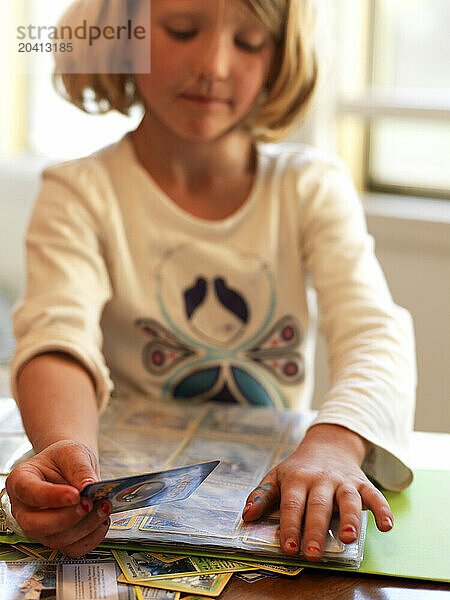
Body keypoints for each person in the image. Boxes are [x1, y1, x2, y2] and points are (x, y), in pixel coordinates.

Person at [6, 0, 416, 560]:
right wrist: (61, 446)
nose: (214, 65)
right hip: (117, 529)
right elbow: (56, 336)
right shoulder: (80, 192)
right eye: (181, 30)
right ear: (126, 34)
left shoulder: (310, 188)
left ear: (277, 59)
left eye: (248, 43)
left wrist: (334, 445)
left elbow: (376, 334)